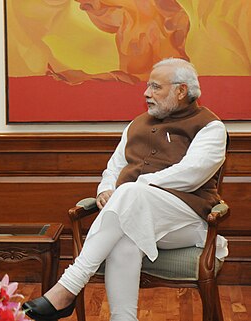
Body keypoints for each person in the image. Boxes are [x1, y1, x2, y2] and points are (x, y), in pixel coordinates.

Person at [22, 58, 228, 321]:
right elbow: (114, 167)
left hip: (186, 221)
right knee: (126, 233)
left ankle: (68, 288)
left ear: (181, 91)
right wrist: (106, 190)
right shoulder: (135, 125)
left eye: (155, 87)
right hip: (134, 214)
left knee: (130, 197)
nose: (146, 93)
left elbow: (192, 173)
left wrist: (132, 188)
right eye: (147, 86)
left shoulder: (210, 127)